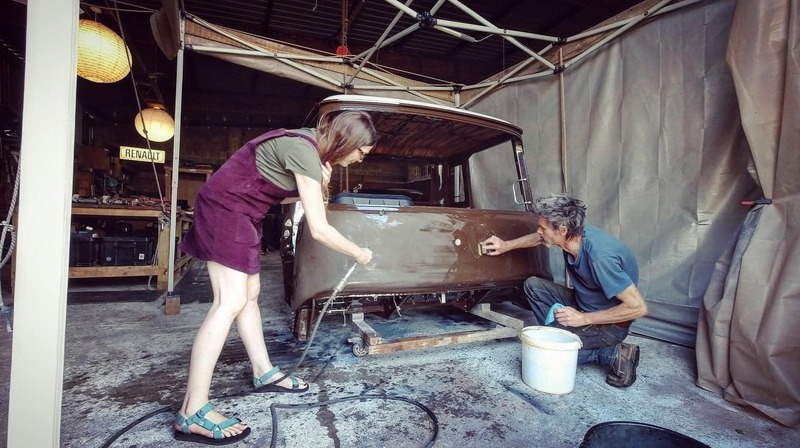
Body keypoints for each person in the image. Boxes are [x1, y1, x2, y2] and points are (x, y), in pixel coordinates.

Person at [173, 111, 377, 444]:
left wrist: (320, 184)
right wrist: (358, 252)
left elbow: (274, 192)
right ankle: (192, 411)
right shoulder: (304, 150)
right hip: (225, 210)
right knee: (229, 302)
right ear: (347, 142)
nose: (357, 160)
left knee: (248, 295)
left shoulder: (308, 150)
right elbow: (320, 228)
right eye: (360, 153)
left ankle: (262, 370)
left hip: (242, 213)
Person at [481, 193, 648, 388]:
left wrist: (583, 319)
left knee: (548, 356)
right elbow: (539, 238)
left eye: (543, 227)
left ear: (562, 229)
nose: (539, 231)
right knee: (533, 286)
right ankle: (561, 333)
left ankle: (614, 354)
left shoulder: (600, 258)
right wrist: (505, 245)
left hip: (610, 326)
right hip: (584, 303)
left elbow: (638, 308)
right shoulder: (573, 235)